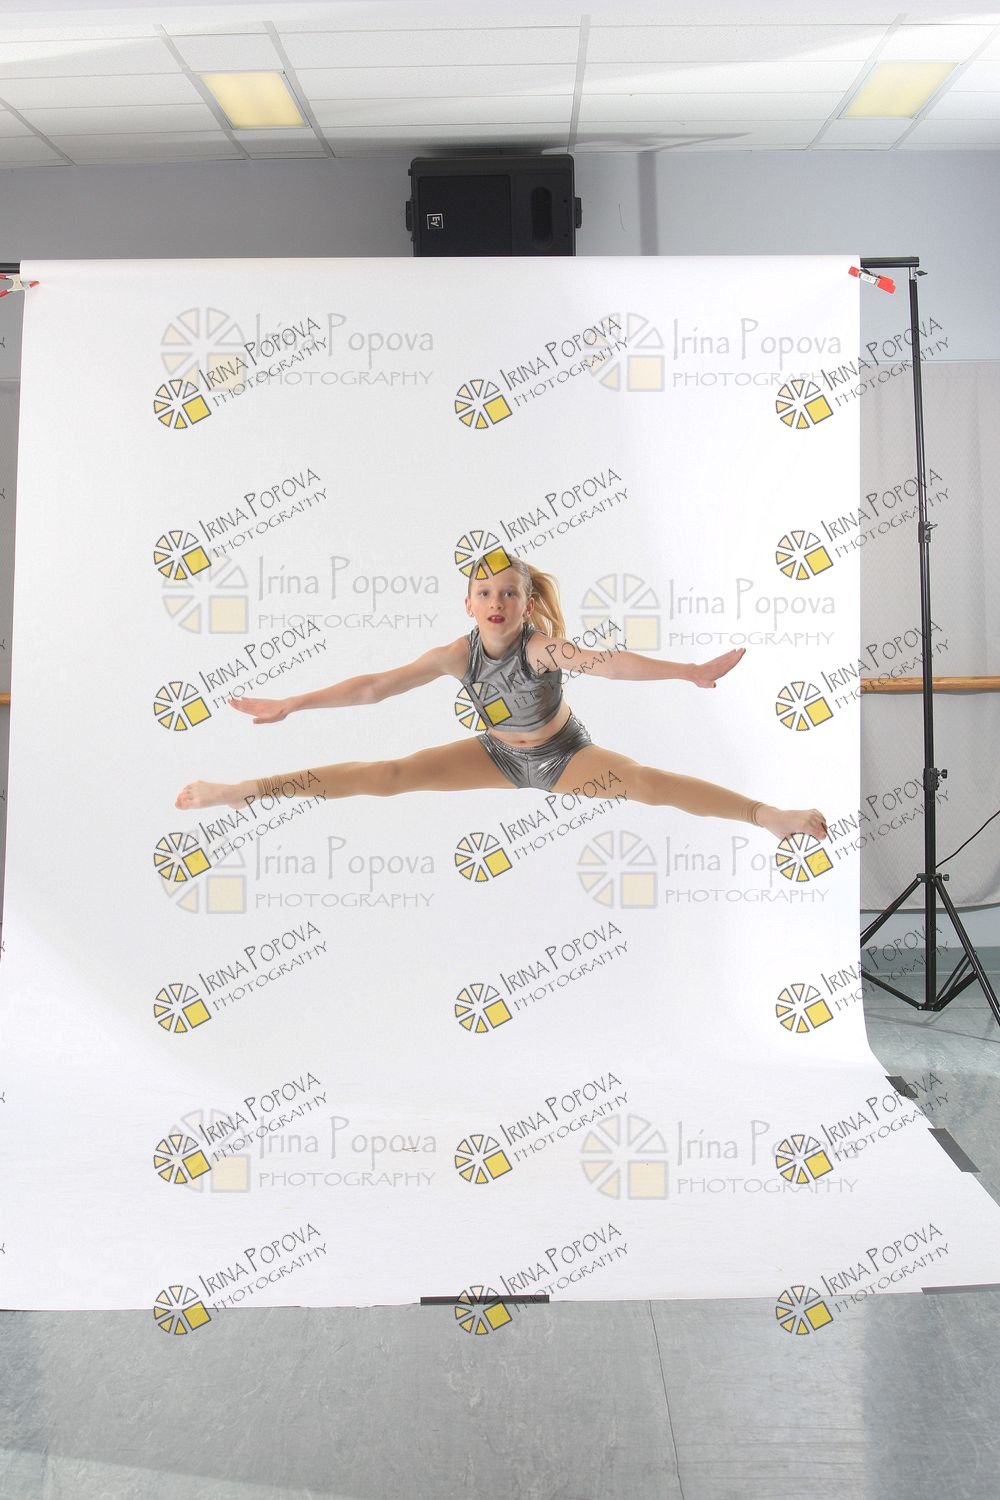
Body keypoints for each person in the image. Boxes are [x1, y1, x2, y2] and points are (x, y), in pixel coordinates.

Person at [175, 553, 829, 843]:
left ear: (526, 603)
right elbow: (373, 687)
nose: (496, 603)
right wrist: (293, 703)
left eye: (508, 594)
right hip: (495, 754)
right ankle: (242, 792)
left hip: (563, 756)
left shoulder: (541, 649)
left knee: (646, 784)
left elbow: (610, 664)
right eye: (484, 593)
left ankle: (766, 815)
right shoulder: (454, 654)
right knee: (388, 775)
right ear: (468, 603)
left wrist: (687, 671)